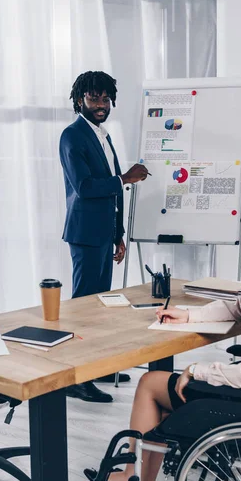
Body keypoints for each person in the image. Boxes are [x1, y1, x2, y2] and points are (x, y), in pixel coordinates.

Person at [83, 200, 241, 481]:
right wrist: (189, 315)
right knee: (165, 390)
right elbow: (238, 307)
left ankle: (134, 478)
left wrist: (197, 370)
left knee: (150, 384)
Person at [60, 71, 148, 403]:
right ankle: (76, 378)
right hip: (84, 234)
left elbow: (111, 189)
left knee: (99, 307)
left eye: (105, 98)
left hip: (103, 233)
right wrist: (125, 177)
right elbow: (84, 188)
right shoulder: (72, 136)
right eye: (94, 98)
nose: (101, 104)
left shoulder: (103, 135)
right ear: (79, 100)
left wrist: (118, 234)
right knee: (83, 307)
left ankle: (97, 368)